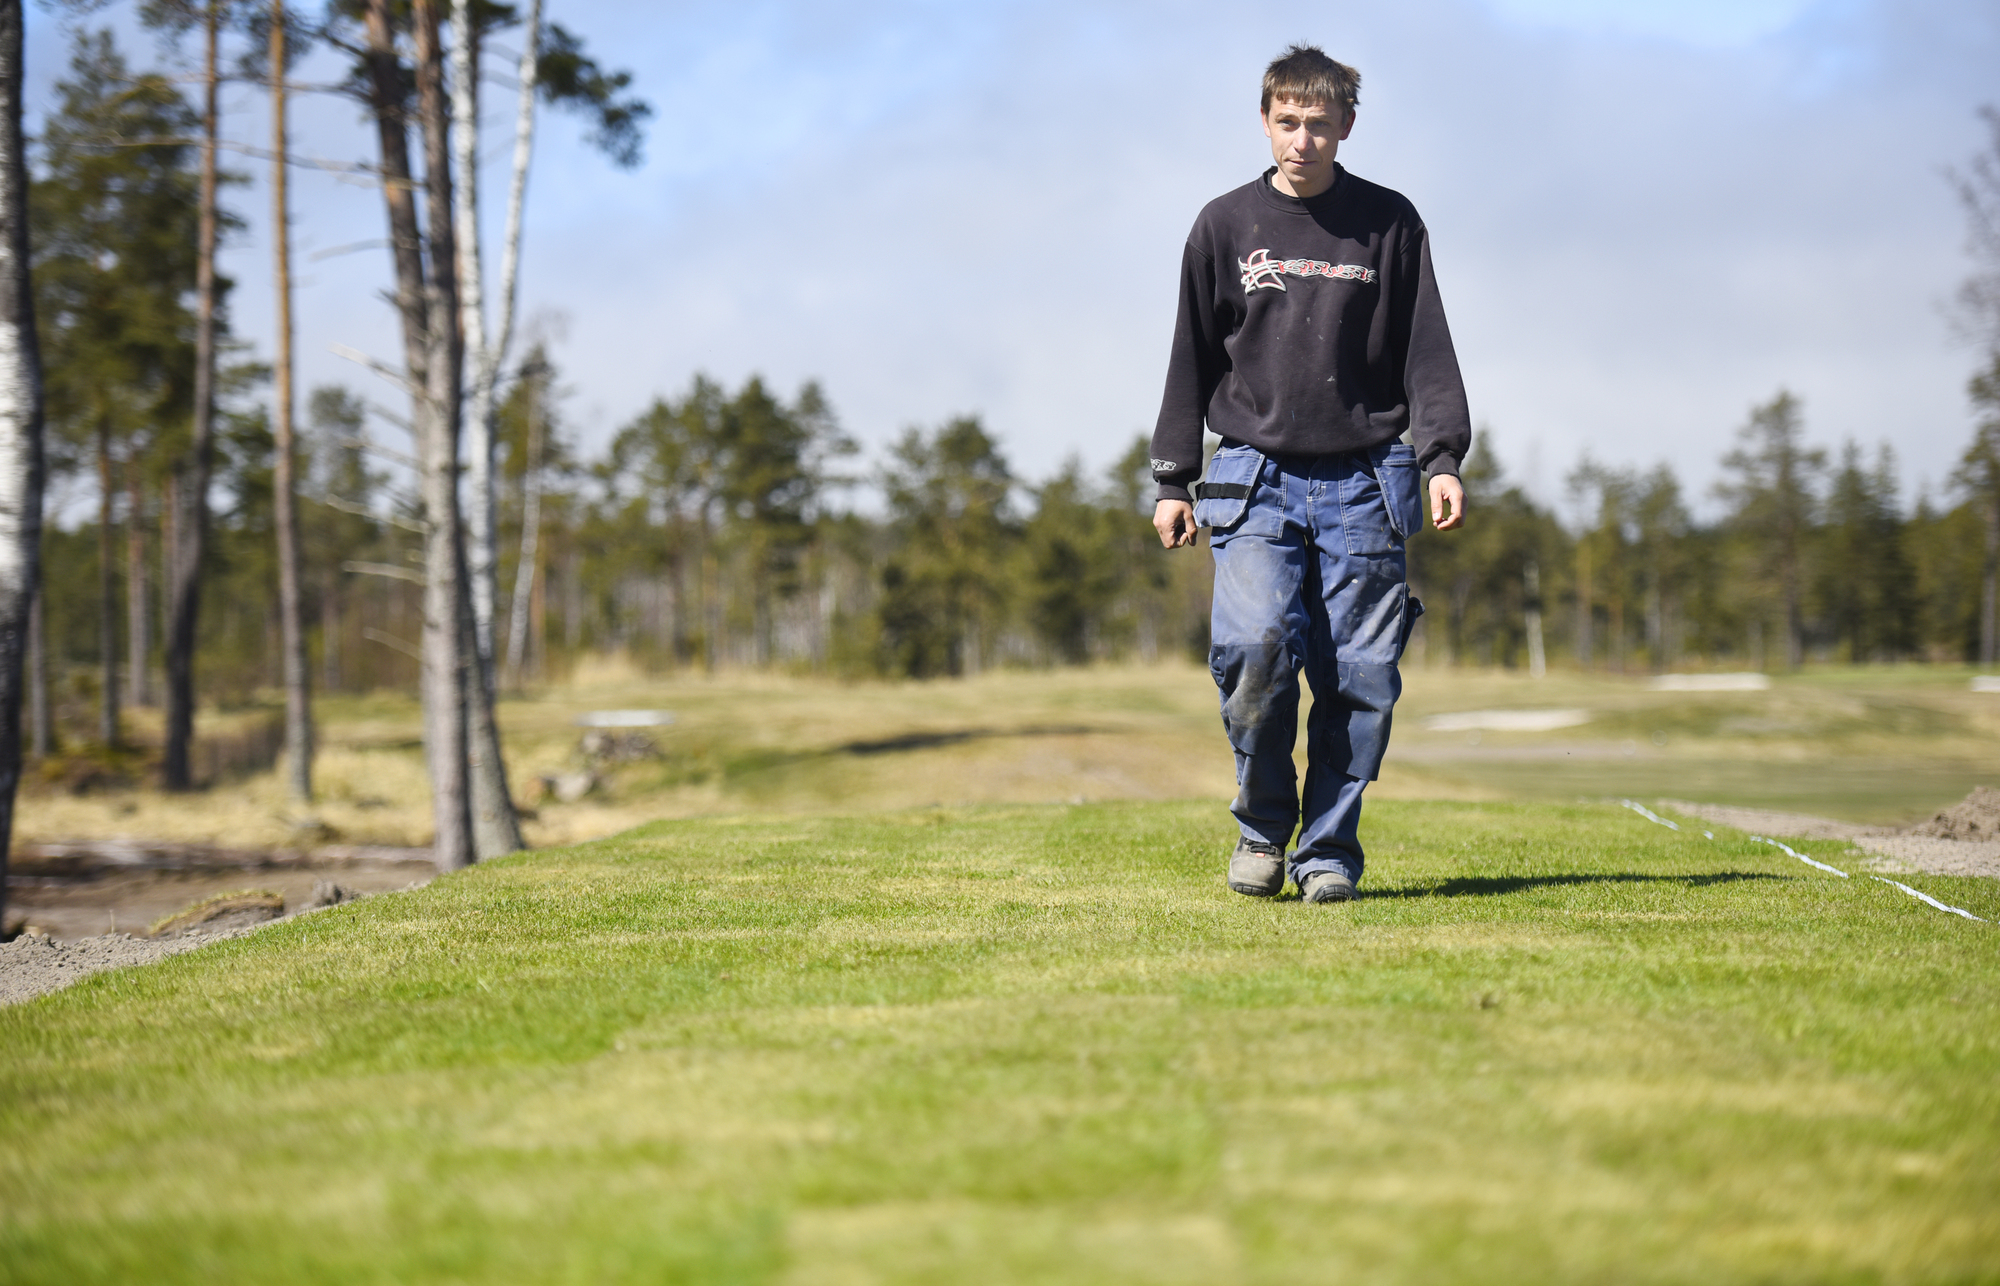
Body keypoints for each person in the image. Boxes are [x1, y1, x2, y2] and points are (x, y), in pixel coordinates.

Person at [1149, 43, 1471, 905]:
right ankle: (1262, 828)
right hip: (1252, 477)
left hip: (1367, 480)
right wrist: (1174, 479)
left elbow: (1425, 348)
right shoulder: (1222, 224)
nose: (1301, 141)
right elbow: (1189, 354)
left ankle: (1327, 852)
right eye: (1286, 123)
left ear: (1346, 127)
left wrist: (1441, 456)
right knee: (1253, 648)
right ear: (1265, 121)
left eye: (1318, 125)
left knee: (1360, 676)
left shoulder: (1390, 223)